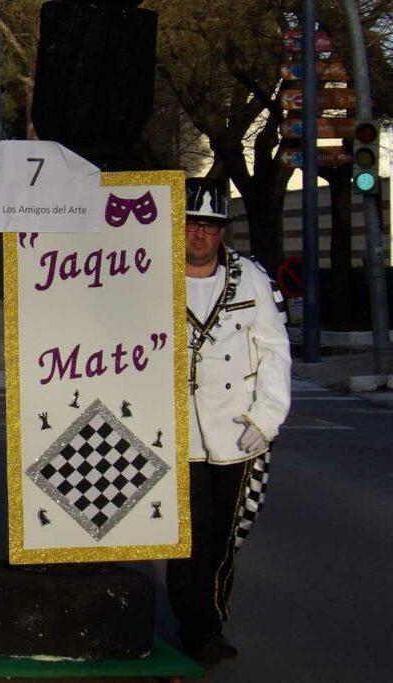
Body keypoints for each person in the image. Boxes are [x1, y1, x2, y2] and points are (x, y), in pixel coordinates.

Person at [166, 177, 291, 665]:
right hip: (177, 436)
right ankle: (198, 630)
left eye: (210, 227)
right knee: (185, 538)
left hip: (236, 433)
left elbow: (275, 351)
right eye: (191, 225)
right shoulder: (152, 275)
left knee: (222, 537)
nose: (199, 235)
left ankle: (210, 618)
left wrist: (267, 417)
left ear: (222, 232)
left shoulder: (251, 278)